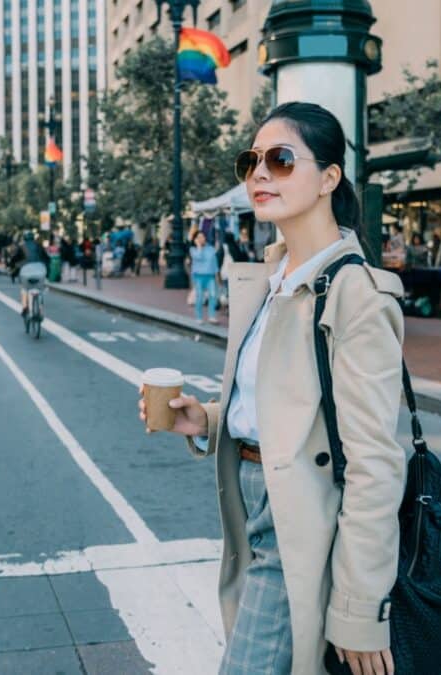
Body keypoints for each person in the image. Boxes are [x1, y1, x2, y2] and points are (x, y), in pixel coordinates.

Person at [140, 101, 404, 675]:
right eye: (251, 161)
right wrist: (207, 419)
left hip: (301, 522)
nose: (260, 174)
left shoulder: (357, 294)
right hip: (255, 503)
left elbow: (377, 463)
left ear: (329, 177)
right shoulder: (274, 276)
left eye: (281, 160)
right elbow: (289, 403)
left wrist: (360, 610)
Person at [188, 230, 219, 324]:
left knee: (213, 296)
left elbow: (214, 262)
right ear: (195, 239)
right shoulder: (193, 250)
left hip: (210, 276)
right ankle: (199, 317)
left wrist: (217, 275)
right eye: (199, 237)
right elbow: (198, 257)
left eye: (203, 237)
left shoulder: (210, 248)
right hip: (198, 277)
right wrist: (198, 246)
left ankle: (212, 316)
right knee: (200, 297)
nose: (202, 239)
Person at [19, 232, 48, 316]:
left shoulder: (22, 247)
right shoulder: (39, 246)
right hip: (40, 270)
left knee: (24, 288)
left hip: (26, 271)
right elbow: (46, 257)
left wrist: (11, 264)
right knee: (41, 289)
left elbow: (15, 258)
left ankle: (24, 306)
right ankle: (41, 309)